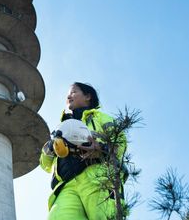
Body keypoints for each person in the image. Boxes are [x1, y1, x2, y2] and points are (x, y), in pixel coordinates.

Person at [40, 82, 127, 220]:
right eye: (68, 94)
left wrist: (102, 149)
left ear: (88, 96)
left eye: (74, 92)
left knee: (104, 216)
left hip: (98, 178)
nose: (69, 95)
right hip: (67, 186)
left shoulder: (100, 118)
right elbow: (45, 164)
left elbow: (120, 143)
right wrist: (51, 147)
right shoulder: (61, 127)